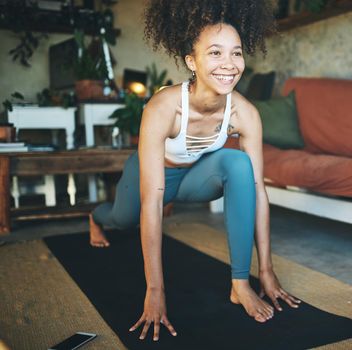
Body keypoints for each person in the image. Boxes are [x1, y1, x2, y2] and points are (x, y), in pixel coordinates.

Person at [88, 0, 301, 342]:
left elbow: (258, 192)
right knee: (120, 218)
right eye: (215, 53)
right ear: (192, 60)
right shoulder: (164, 107)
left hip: (194, 178)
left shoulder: (243, 113)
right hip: (151, 176)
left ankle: (239, 284)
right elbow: (151, 201)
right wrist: (155, 289)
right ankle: (95, 218)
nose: (229, 65)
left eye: (237, 53)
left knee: (239, 163)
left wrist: (267, 272)